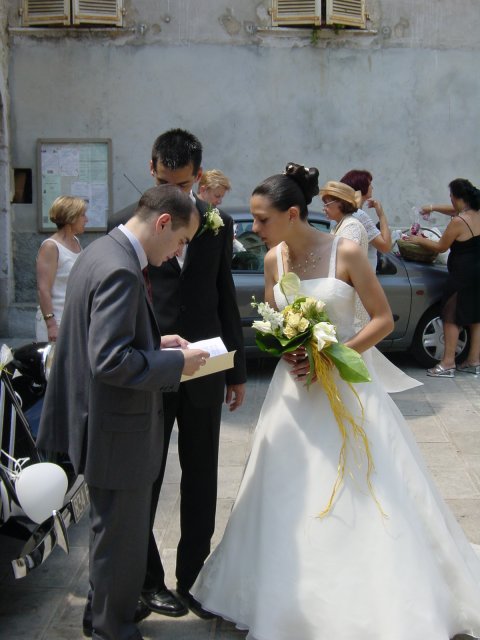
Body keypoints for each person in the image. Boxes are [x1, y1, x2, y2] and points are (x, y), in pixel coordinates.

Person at [191, 163, 480, 640]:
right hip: (293, 395)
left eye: (263, 220)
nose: (256, 230)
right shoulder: (272, 262)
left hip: (346, 385)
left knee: (364, 487)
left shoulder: (345, 252)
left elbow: (383, 319)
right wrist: (288, 350)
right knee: (284, 488)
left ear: (292, 213)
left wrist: (333, 353)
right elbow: (272, 321)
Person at [36, 185, 209, 640]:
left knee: (110, 533)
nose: (176, 254)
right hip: (117, 429)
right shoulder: (121, 269)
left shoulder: (101, 250)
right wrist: (176, 363)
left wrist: (157, 343)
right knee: (123, 542)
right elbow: (110, 359)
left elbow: (106, 340)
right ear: (163, 223)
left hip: (101, 421)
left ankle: (100, 616)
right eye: (181, 242)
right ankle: (113, 628)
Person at [140, 129, 246, 619]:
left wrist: (237, 370)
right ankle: (148, 581)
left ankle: (194, 579)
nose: (173, 195)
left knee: (201, 477)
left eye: (183, 186)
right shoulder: (129, 226)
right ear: (151, 169)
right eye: (165, 182)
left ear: (198, 178)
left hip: (206, 368)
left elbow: (225, 294)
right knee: (148, 477)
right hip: (151, 368)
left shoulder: (216, 226)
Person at [406, 178, 480, 377]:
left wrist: (418, 240)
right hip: (477, 273)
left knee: (451, 316)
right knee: (475, 316)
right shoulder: (476, 213)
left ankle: (447, 363)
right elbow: (455, 209)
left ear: (455, 197)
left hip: (462, 275)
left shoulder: (459, 221)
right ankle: (474, 361)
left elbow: (441, 247)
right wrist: (431, 207)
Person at [35, 195, 88, 342]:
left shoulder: (76, 242)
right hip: (56, 320)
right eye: (82, 215)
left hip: (71, 319)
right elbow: (43, 289)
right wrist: (51, 325)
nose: (86, 220)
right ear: (71, 217)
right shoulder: (50, 246)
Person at [340, 169, 392, 270]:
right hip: (362, 278)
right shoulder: (359, 215)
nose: (372, 187)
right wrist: (381, 214)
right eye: (369, 184)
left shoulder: (341, 212)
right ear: (361, 187)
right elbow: (385, 247)